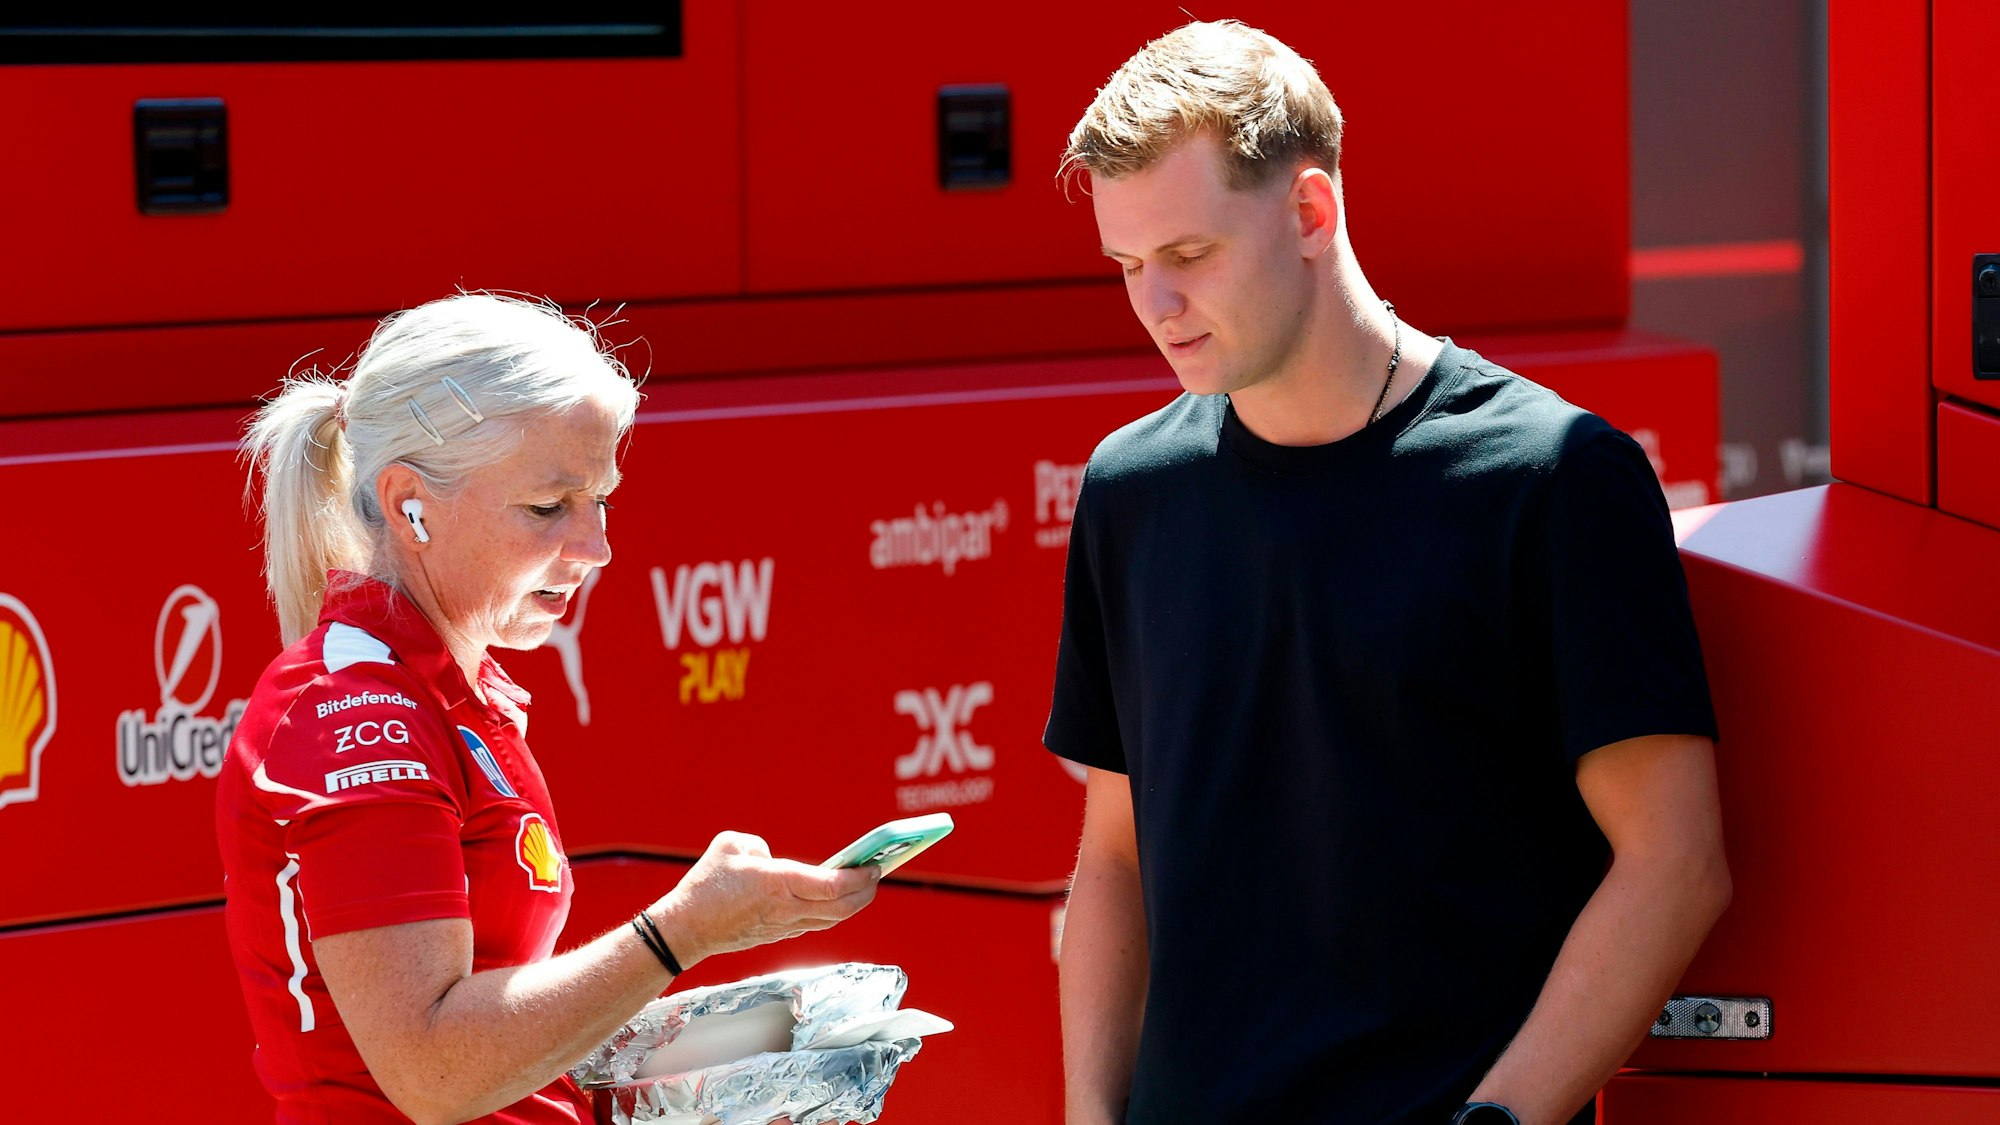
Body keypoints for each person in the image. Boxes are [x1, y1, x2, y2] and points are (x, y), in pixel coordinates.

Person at [1043, 21, 1732, 1125]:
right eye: (1128, 266)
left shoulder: (1550, 479)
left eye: (1188, 254)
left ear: (1310, 213)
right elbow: (1114, 858)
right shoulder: (1132, 490)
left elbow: (1674, 864)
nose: (1155, 306)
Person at [218, 292, 880, 1125]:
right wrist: (679, 932)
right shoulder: (353, 712)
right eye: (548, 506)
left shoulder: (451, 690)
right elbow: (434, 1071)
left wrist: (732, 1049)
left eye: (602, 500)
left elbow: (503, 1038)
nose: (597, 547)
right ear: (408, 502)